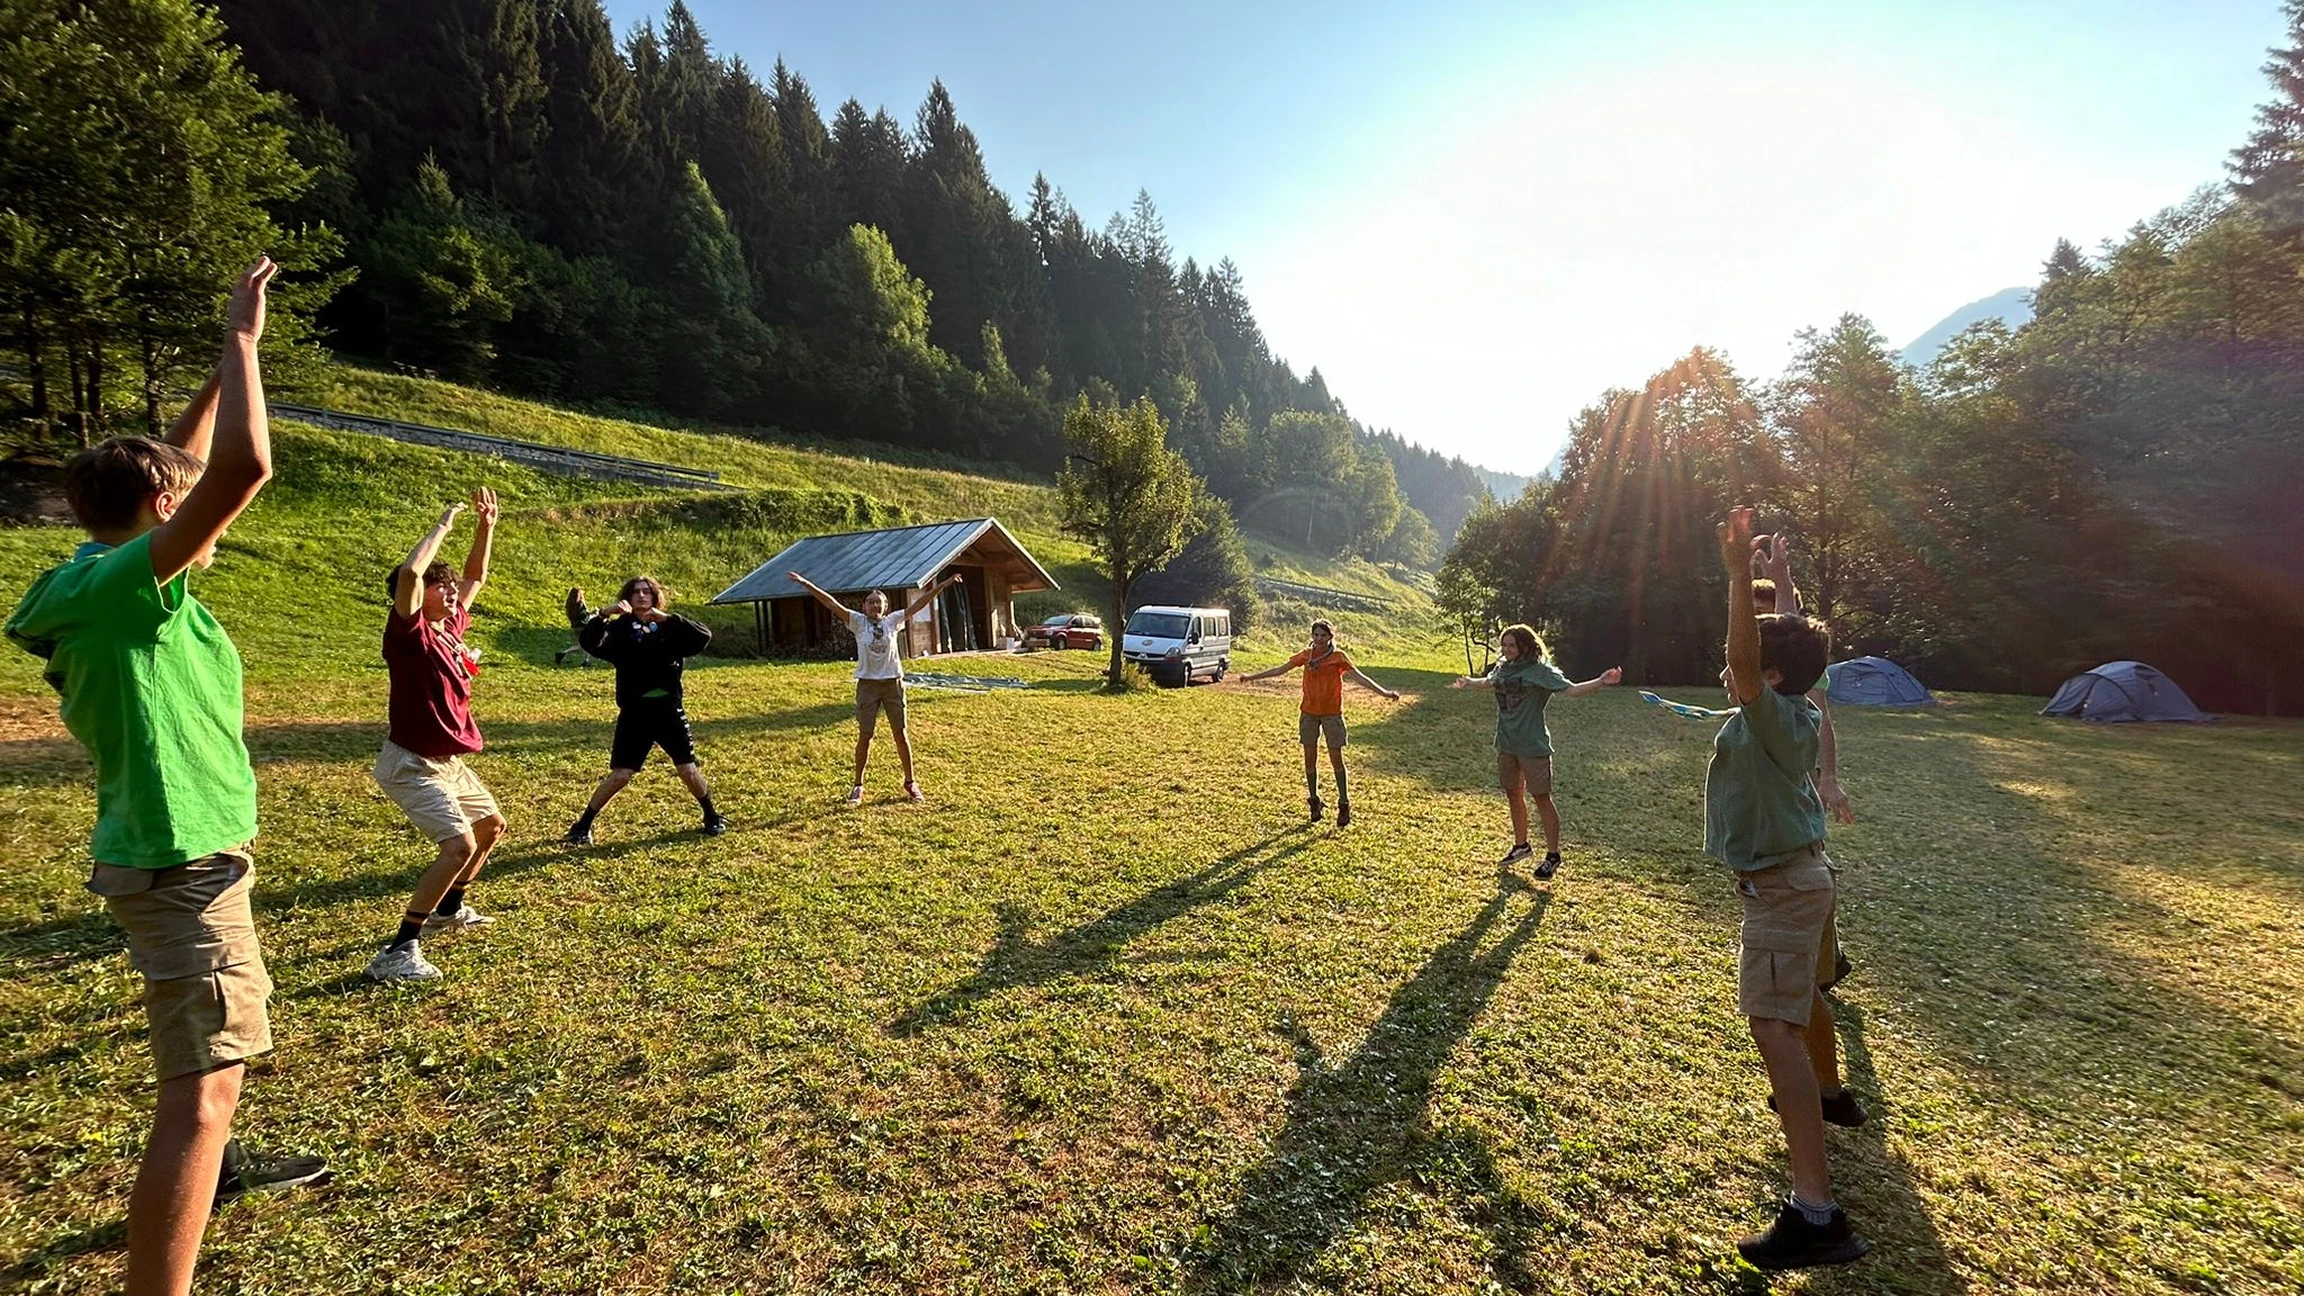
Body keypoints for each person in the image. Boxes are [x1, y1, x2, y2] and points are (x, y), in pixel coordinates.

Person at [4, 258, 328, 1296]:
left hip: (172, 856)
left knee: (207, 1076)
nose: (207, 528)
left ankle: (215, 1183)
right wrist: (241, 342)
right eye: (177, 502)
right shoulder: (133, 592)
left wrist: (220, 371)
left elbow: (188, 467)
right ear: (155, 505)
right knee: (200, 1098)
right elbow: (237, 475)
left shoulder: (86, 579)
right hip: (181, 864)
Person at [1708, 506, 1869, 1271]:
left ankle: (1817, 1214)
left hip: (1781, 887)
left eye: (1747, 667)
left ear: (1767, 679)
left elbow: (1751, 660)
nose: (1731, 667)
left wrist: (1741, 575)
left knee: (1774, 1028)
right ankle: (1834, 1096)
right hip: (1804, 878)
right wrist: (1782, 584)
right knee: (1802, 1004)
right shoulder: (1797, 702)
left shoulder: (1771, 711)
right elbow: (1791, 643)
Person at [365, 488, 508, 984]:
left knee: (492, 828)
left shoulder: (449, 629)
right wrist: (444, 524)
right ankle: (398, 949)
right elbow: (409, 574)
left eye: (449, 588)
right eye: (439, 587)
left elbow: (476, 578)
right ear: (416, 596)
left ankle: (450, 909)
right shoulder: (409, 635)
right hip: (411, 762)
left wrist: (486, 526)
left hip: (450, 762)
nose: (450, 593)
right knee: (458, 846)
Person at [1751, 539, 1859, 989]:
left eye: (1766, 613)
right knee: (1804, 856)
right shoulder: (1766, 658)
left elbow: (1822, 717)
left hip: (1796, 773)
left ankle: (1822, 961)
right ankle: (1827, 959)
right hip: (1771, 771)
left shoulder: (1797, 662)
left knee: (1806, 858)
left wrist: (1828, 777)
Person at [563, 577, 728, 843]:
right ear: (627, 597)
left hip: (668, 710)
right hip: (635, 713)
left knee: (687, 769)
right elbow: (590, 643)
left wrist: (669, 618)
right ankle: (582, 826)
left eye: (646, 592)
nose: (641, 596)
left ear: (654, 597)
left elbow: (703, 636)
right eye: (636, 592)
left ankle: (712, 816)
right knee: (620, 775)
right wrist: (604, 614)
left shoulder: (669, 627)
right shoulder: (620, 630)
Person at [1449, 625, 1621, 877]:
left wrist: (1601, 681)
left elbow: (1571, 689)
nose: (1507, 650)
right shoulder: (1503, 668)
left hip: (1533, 745)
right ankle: (1521, 846)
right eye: (1505, 645)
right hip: (1507, 744)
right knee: (1513, 794)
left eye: (1512, 645)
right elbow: (1489, 682)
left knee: (1541, 798)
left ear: (1526, 647)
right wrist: (1468, 682)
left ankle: (1552, 856)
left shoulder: (1538, 672)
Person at [787, 569, 961, 805]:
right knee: (865, 736)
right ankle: (858, 785)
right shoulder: (856, 622)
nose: (874, 606)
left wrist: (942, 586)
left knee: (900, 734)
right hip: (867, 686)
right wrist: (806, 583)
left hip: (893, 684)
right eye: (870, 602)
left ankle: (910, 782)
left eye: (878, 603)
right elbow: (830, 602)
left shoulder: (894, 621)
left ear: (885, 607)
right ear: (864, 606)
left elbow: (919, 604)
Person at [1235, 619, 1398, 826]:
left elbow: (1360, 678)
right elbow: (1280, 670)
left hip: (1332, 714)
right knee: (1309, 758)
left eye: (1323, 635)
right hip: (1309, 713)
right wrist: (1251, 677)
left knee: (1336, 759)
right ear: (1312, 636)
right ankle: (1314, 801)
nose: (1319, 639)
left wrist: (1385, 693)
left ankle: (1344, 804)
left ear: (1331, 637)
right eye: (1316, 635)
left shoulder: (1338, 657)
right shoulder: (1306, 655)